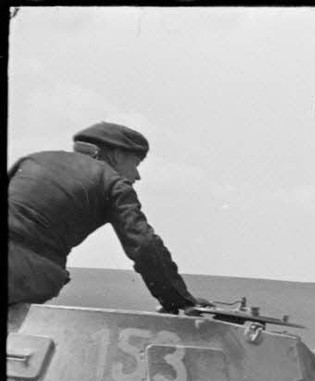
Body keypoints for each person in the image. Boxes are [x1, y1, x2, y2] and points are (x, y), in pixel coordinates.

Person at [8, 121, 205, 311]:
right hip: (27, 272)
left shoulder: (33, 160)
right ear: (117, 155)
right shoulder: (113, 183)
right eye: (136, 164)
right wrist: (178, 301)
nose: (137, 175)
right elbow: (144, 245)